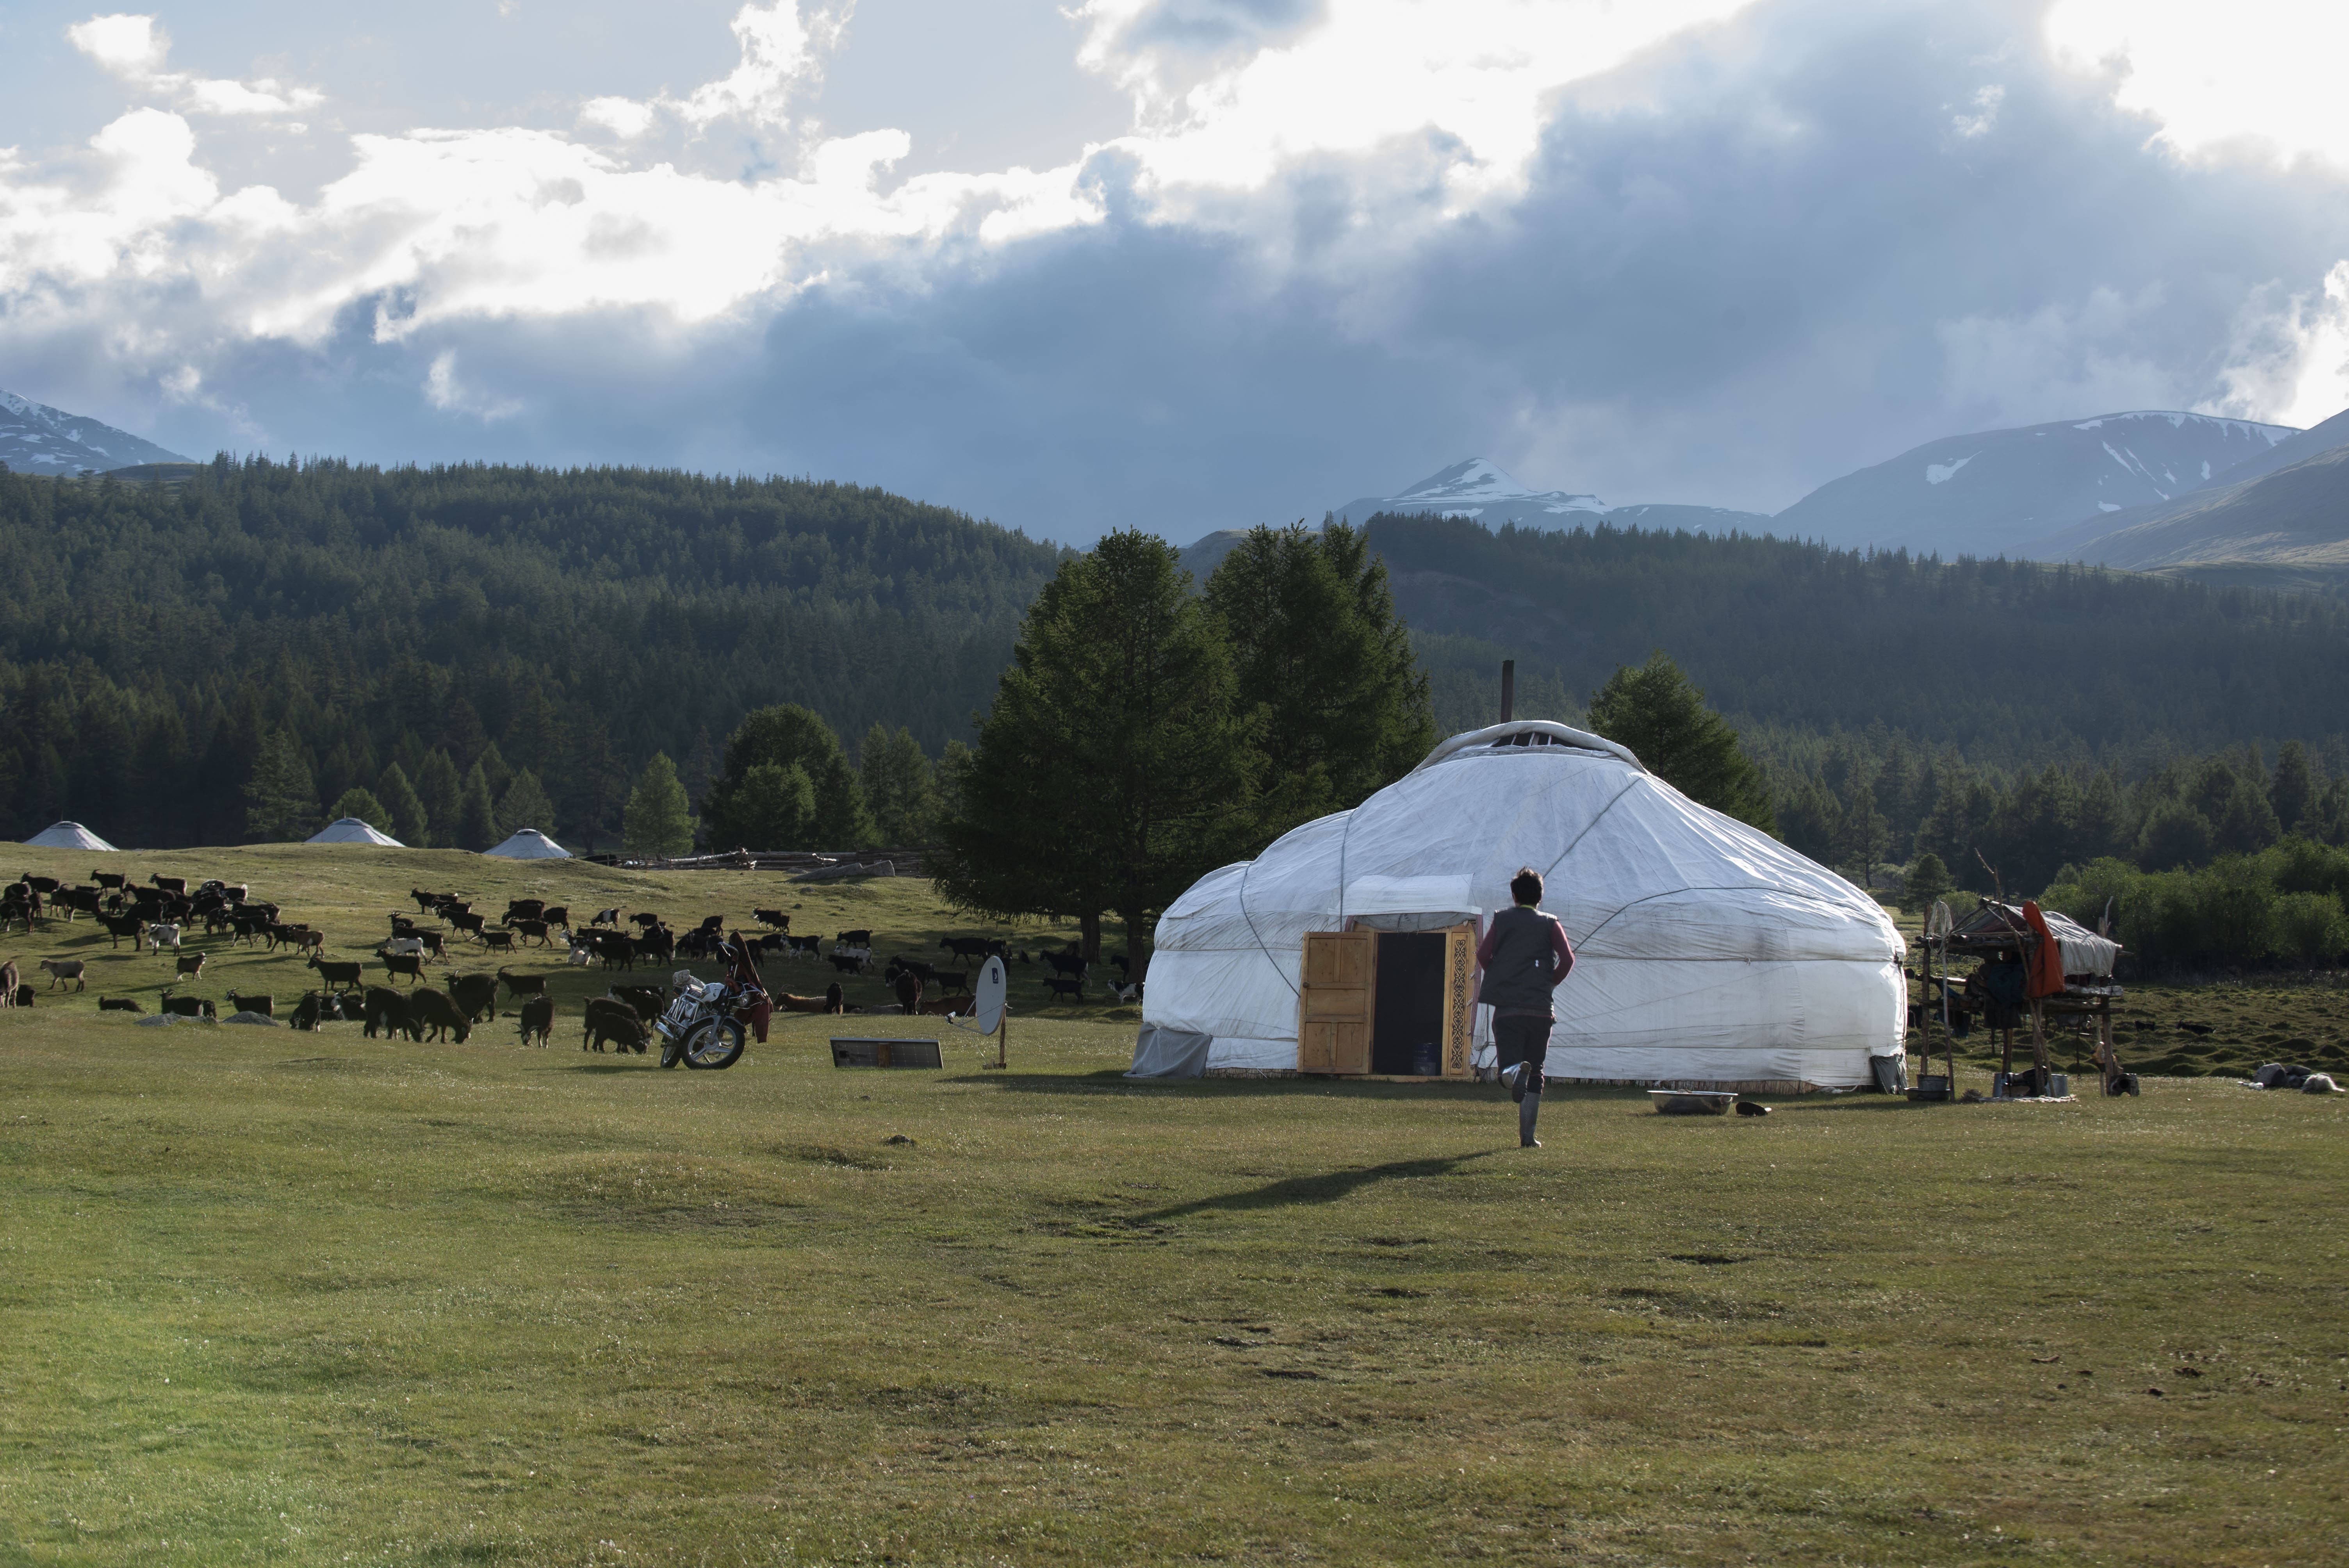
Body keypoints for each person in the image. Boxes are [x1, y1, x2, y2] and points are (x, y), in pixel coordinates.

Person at [1475, 866, 1575, 1148]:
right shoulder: (1551, 924)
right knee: (1537, 1071)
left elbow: (1483, 954)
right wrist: (1549, 983)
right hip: (1541, 1009)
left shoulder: (1502, 920)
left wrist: (1500, 975)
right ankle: (1528, 1137)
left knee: (1508, 1069)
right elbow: (1567, 960)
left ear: (1514, 896)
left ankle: (1515, 1072)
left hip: (1509, 1009)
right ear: (1540, 897)